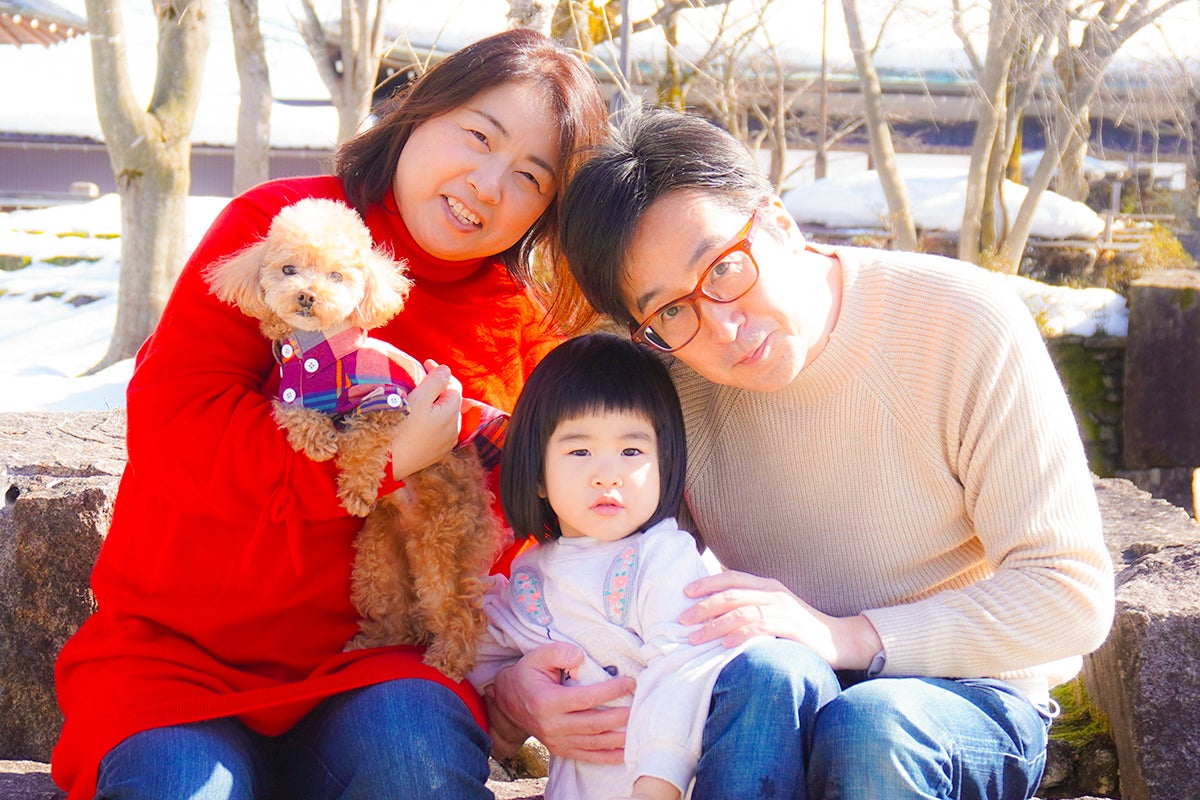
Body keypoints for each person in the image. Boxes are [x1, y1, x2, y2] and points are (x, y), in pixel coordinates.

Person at [489, 105, 1116, 799]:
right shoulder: (664, 376)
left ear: (779, 222)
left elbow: (1070, 595)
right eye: (670, 310)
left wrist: (847, 636)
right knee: (771, 675)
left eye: (724, 268)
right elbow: (616, 571)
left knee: (870, 723)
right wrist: (513, 692)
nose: (722, 326)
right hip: (776, 683)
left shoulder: (961, 319)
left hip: (961, 698)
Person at [51, 28, 609, 800]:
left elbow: (546, 527)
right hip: (182, 658)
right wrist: (386, 460)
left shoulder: (524, 330)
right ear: (421, 112)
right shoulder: (286, 229)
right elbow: (176, 425)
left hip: (380, 666)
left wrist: (515, 678)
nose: (487, 185)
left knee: (417, 771)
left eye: (529, 178)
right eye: (479, 137)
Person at [468, 332, 758, 800]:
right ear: (538, 473)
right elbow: (480, 652)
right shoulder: (529, 578)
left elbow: (681, 670)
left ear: (664, 462)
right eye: (579, 451)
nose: (607, 475)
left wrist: (657, 786)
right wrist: (499, 700)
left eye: (631, 451)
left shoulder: (664, 557)